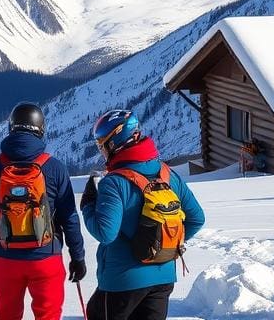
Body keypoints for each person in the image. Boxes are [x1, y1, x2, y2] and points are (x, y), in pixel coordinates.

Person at [0, 101, 86, 320]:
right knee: (48, 315)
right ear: (41, 130)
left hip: (5, 258)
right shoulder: (54, 167)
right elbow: (70, 217)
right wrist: (77, 256)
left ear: (11, 128)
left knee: (6, 315)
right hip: (46, 258)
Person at [80, 109, 205, 320]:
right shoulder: (168, 175)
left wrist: (88, 205)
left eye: (102, 143)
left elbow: (105, 233)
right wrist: (165, 245)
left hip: (122, 280)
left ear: (115, 142)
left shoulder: (114, 182)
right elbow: (196, 219)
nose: (101, 149)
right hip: (163, 278)